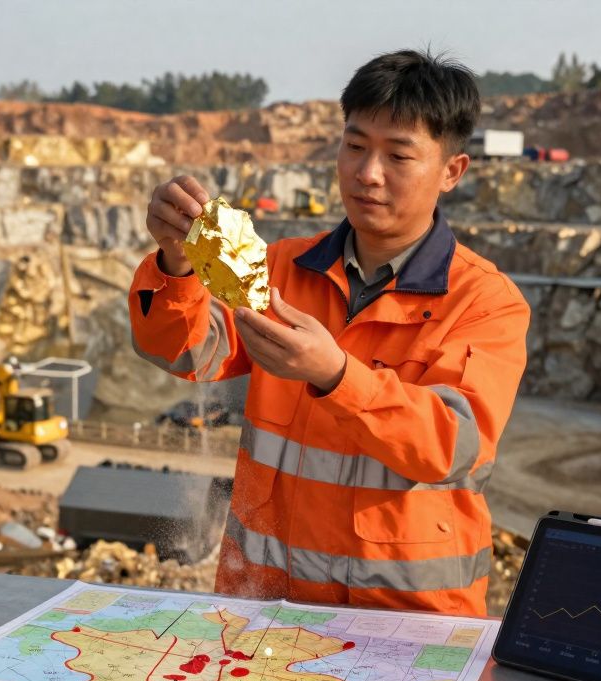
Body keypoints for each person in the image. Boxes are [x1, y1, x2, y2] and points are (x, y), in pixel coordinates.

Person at [129, 49, 530, 616]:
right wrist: (177, 266)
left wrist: (336, 375)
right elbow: (187, 352)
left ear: (451, 172)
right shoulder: (281, 269)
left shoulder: (484, 302)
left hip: (406, 625)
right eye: (356, 145)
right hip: (264, 608)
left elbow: (453, 448)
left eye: (398, 155)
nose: (368, 173)